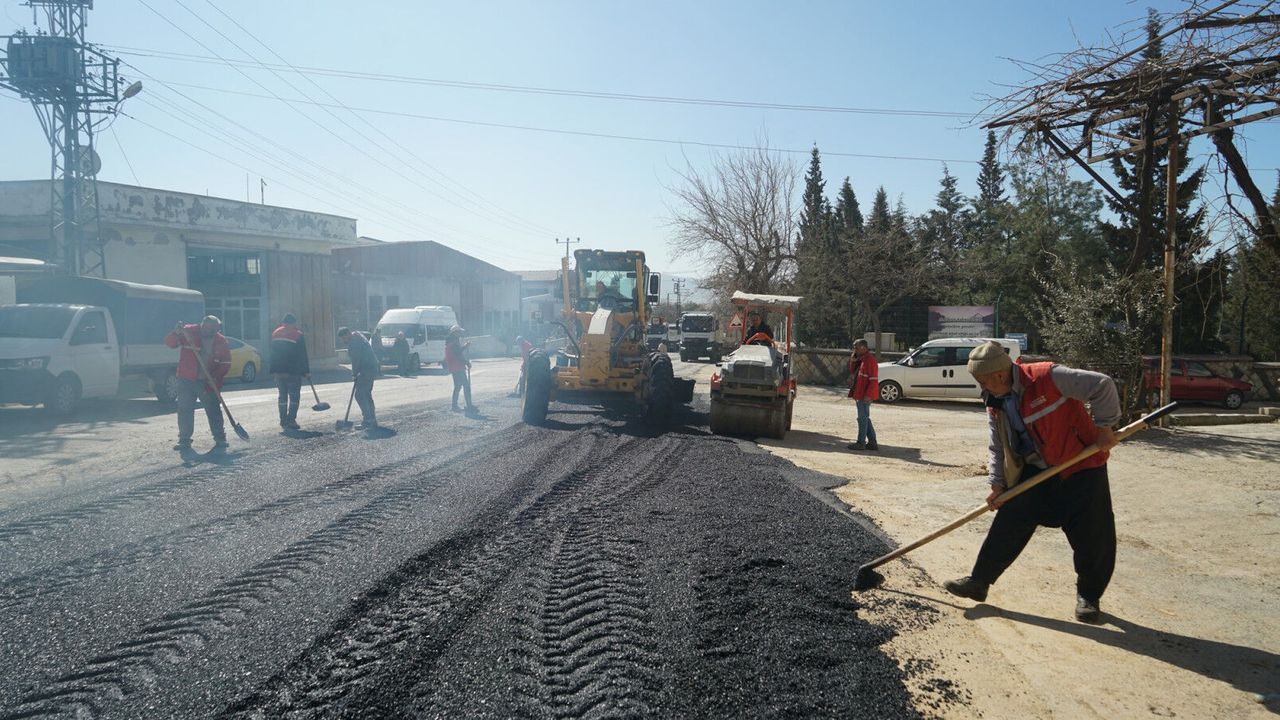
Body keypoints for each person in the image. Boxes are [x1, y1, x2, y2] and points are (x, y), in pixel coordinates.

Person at [943, 341, 1120, 624]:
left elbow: (1103, 385)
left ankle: (1089, 596)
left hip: (1081, 465)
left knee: (1092, 534)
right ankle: (979, 582)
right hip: (1037, 469)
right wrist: (998, 484)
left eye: (983, 381)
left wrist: (1104, 428)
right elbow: (998, 445)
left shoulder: (1048, 376)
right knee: (1010, 518)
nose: (981, 387)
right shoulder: (995, 399)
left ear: (1000, 374)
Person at [165, 315, 232, 453]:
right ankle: (184, 440)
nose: (211, 331)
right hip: (186, 379)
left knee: (213, 410)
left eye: (214, 329)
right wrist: (176, 333)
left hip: (207, 382)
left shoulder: (221, 341)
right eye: (208, 328)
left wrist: (215, 377)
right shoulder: (189, 332)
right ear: (203, 325)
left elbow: (226, 363)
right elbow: (170, 343)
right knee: (185, 410)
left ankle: (220, 438)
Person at [269, 313, 310, 430]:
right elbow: (302, 355)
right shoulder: (297, 334)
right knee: (294, 396)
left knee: (282, 396)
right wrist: (306, 371)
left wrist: (273, 369)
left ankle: (283, 421)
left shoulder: (275, 333)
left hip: (278, 371)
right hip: (292, 371)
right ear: (293, 323)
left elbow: (273, 353)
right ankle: (291, 420)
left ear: (283, 322)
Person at [338, 326, 379, 430]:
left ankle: (368, 420)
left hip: (366, 370)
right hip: (371, 368)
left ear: (347, 334)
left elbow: (356, 360)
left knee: (360, 395)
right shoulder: (358, 336)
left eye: (344, 338)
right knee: (366, 395)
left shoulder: (354, 343)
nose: (343, 341)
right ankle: (372, 420)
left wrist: (354, 374)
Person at [846, 339, 879, 451]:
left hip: (864, 395)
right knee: (864, 418)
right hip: (859, 393)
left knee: (862, 419)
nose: (854, 350)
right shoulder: (861, 360)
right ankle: (872, 442)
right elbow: (852, 371)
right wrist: (853, 360)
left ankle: (861, 442)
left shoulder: (870, 361)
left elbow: (873, 380)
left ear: (863, 348)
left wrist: (869, 395)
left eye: (856, 348)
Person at [445, 325, 476, 413]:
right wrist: (467, 362)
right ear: (455, 332)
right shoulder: (454, 342)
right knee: (466, 385)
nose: (460, 333)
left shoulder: (450, 341)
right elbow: (458, 355)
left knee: (458, 386)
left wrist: (465, 347)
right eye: (459, 332)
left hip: (454, 367)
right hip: (457, 366)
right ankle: (469, 405)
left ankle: (454, 405)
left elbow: (457, 352)